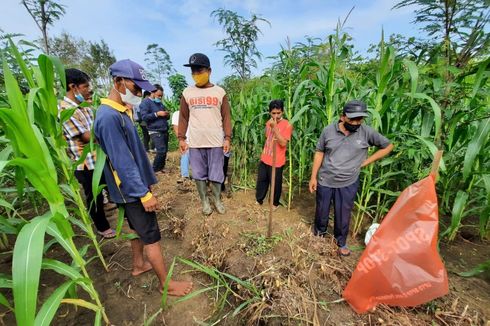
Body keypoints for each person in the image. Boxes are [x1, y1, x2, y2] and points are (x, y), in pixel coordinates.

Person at [93, 59, 192, 296]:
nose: (139, 93)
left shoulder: (120, 112)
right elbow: (122, 162)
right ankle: (165, 284)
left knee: (137, 229)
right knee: (151, 236)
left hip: (129, 188)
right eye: (135, 88)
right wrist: (144, 193)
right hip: (131, 191)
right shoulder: (109, 117)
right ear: (118, 82)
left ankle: (139, 265)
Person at [308, 100, 394, 256]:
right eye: (352, 119)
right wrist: (313, 177)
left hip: (348, 182)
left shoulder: (367, 132)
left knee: (343, 214)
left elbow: (388, 146)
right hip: (326, 180)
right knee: (322, 211)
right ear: (342, 117)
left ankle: (340, 243)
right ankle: (319, 236)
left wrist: (366, 162)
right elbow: (319, 152)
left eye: (359, 119)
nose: (356, 122)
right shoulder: (328, 131)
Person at [59, 68, 115, 239]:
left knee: (107, 185)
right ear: (73, 86)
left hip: (99, 157)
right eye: (85, 86)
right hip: (85, 162)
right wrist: (108, 132)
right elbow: (86, 136)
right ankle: (102, 226)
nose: (88, 90)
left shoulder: (83, 106)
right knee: (93, 195)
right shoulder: (64, 110)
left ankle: (108, 207)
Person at [178, 53, 232, 215]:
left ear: (209, 70)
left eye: (199, 70)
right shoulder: (187, 93)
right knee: (199, 174)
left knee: (216, 173)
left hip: (215, 141)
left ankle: (216, 200)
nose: (196, 74)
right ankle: (204, 202)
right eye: (193, 71)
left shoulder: (219, 92)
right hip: (195, 142)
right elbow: (183, 117)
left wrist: (227, 137)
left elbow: (226, 117)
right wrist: (181, 137)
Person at [255, 100, 293, 210]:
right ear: (269, 112)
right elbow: (267, 137)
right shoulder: (268, 122)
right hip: (265, 157)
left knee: (275, 183)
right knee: (262, 180)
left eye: (278, 113)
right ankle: (259, 199)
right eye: (273, 113)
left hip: (277, 160)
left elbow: (283, 143)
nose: (276, 116)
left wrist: (275, 127)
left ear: (283, 112)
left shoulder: (287, 125)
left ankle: (275, 203)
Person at [140, 84, 170, 173]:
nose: (160, 98)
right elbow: (144, 117)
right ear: (152, 93)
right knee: (161, 151)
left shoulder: (159, 103)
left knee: (164, 152)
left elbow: (164, 116)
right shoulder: (145, 103)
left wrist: (166, 115)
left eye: (161, 96)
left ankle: (161, 168)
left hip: (164, 129)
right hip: (155, 130)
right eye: (158, 95)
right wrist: (157, 114)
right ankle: (153, 169)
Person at [171, 109, 190, 182]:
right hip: (186, 141)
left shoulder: (196, 112)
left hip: (197, 141)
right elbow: (176, 129)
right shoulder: (177, 114)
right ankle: (185, 176)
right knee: (185, 154)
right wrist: (182, 140)